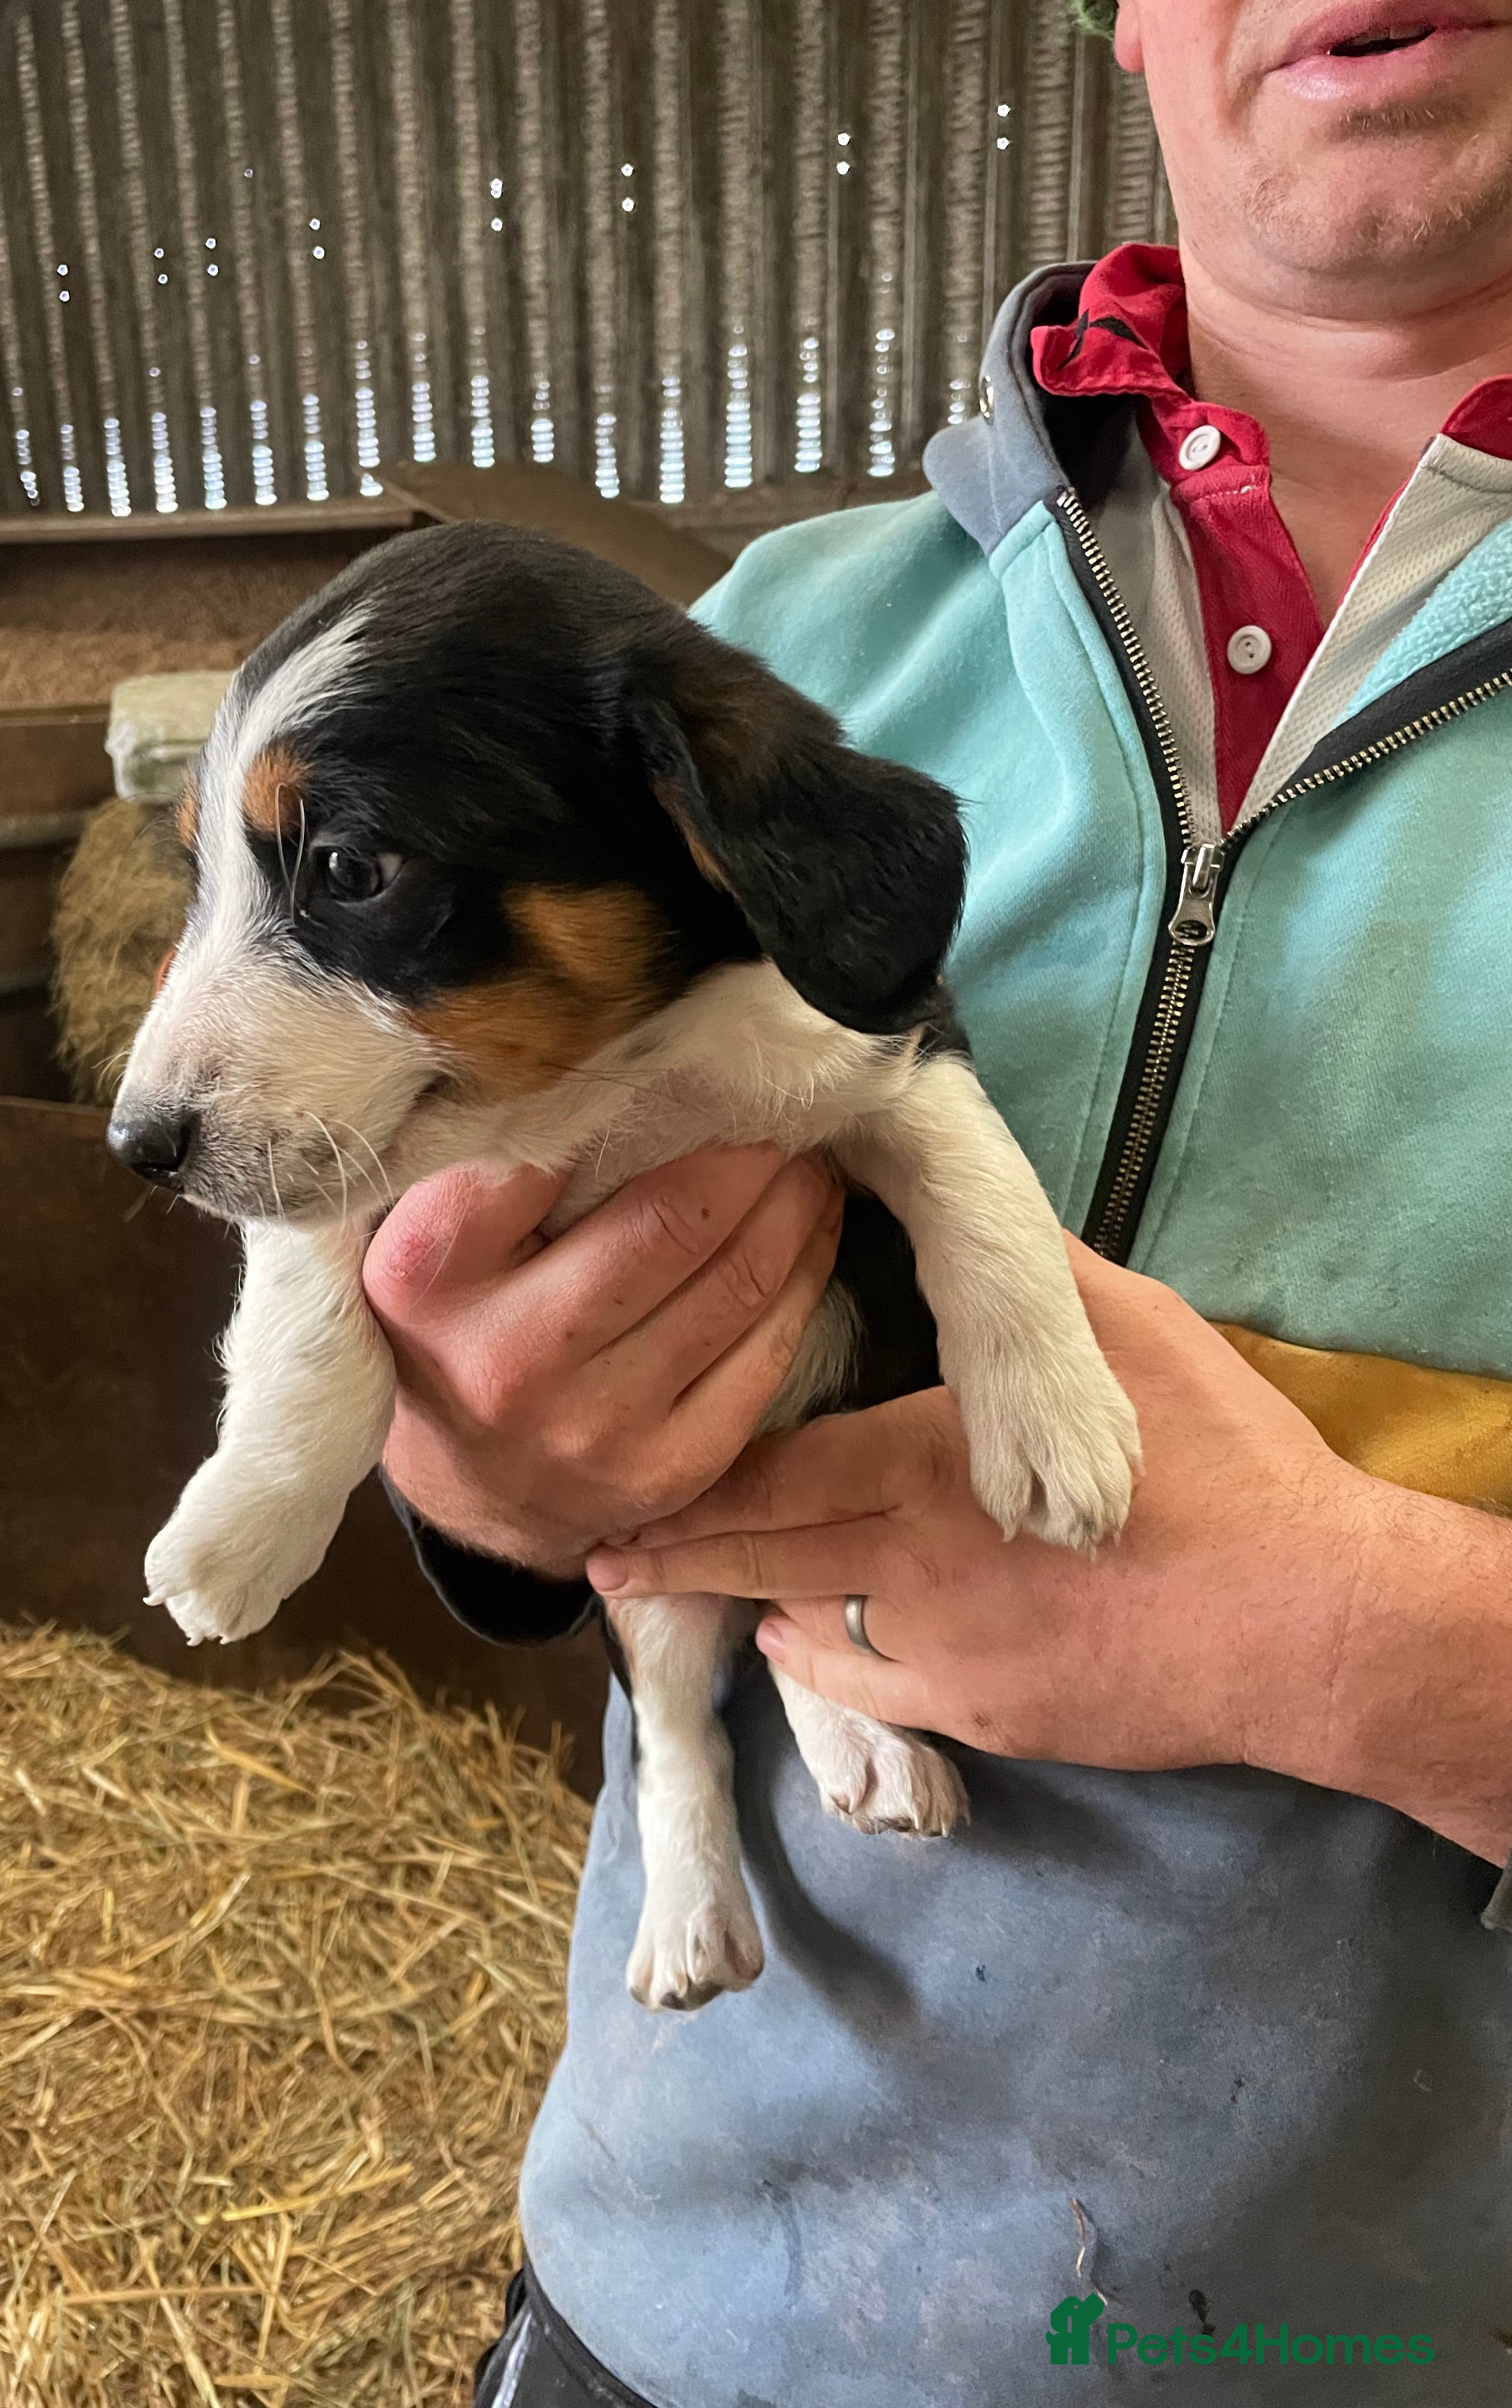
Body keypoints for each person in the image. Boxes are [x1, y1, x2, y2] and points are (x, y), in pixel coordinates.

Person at [367, 2, 1512, 2398]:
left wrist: (1359, 1646)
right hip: (674, 2307)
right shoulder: (765, 653)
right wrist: (474, 1474)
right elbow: (466, 1281)